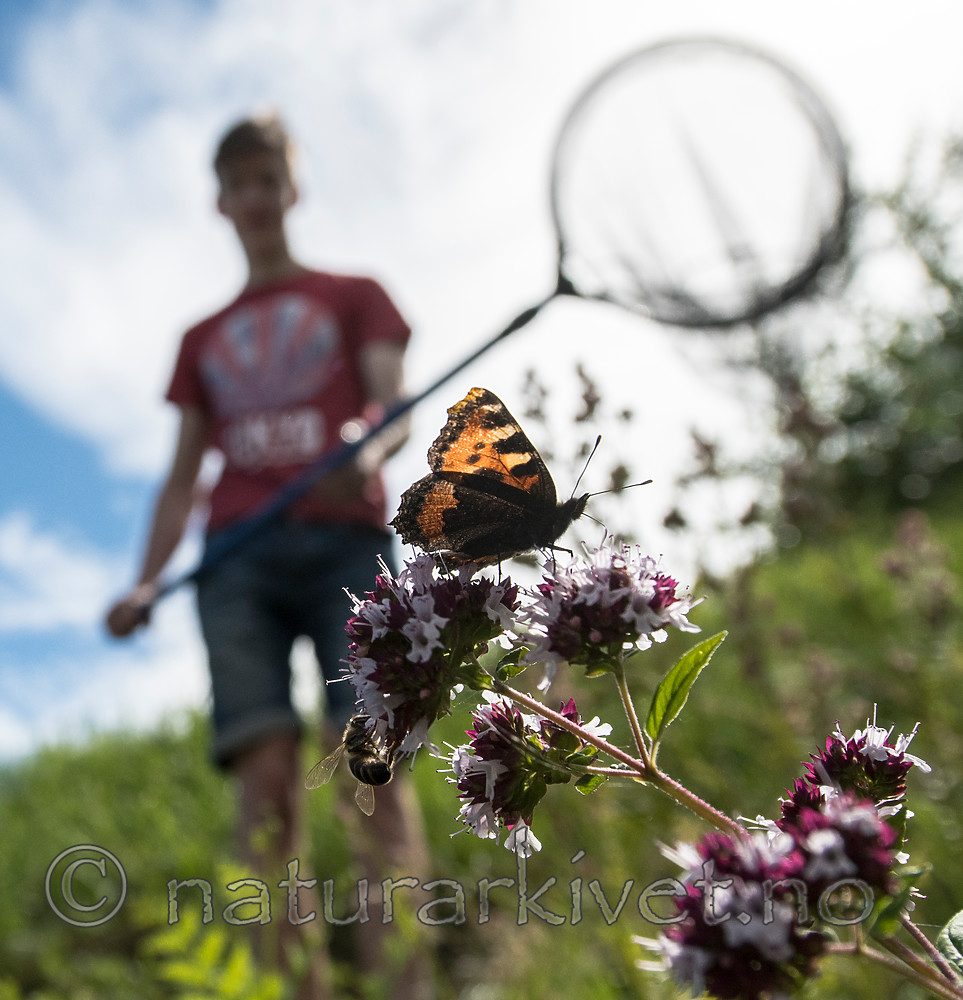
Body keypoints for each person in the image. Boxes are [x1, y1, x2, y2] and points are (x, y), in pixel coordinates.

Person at [105, 113, 429, 1000]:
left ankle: (404, 983)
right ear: (220, 201)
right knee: (265, 790)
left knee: (371, 767)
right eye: (237, 182)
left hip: (346, 546)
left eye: (267, 178)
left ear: (292, 187)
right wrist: (142, 581)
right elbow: (181, 480)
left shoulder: (356, 293)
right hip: (235, 562)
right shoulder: (201, 340)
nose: (254, 196)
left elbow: (391, 402)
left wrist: (364, 450)